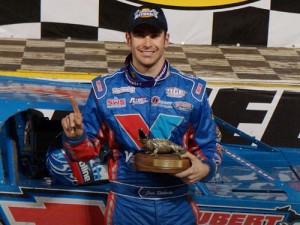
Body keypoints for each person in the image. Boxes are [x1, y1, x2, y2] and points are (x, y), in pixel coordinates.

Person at [61, 5, 222, 225]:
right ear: (128, 39)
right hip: (127, 205)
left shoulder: (193, 90)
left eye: (154, 35)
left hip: (177, 205)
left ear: (166, 39)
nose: (147, 43)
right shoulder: (103, 89)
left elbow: (210, 146)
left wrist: (205, 168)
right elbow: (84, 155)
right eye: (139, 35)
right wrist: (76, 137)